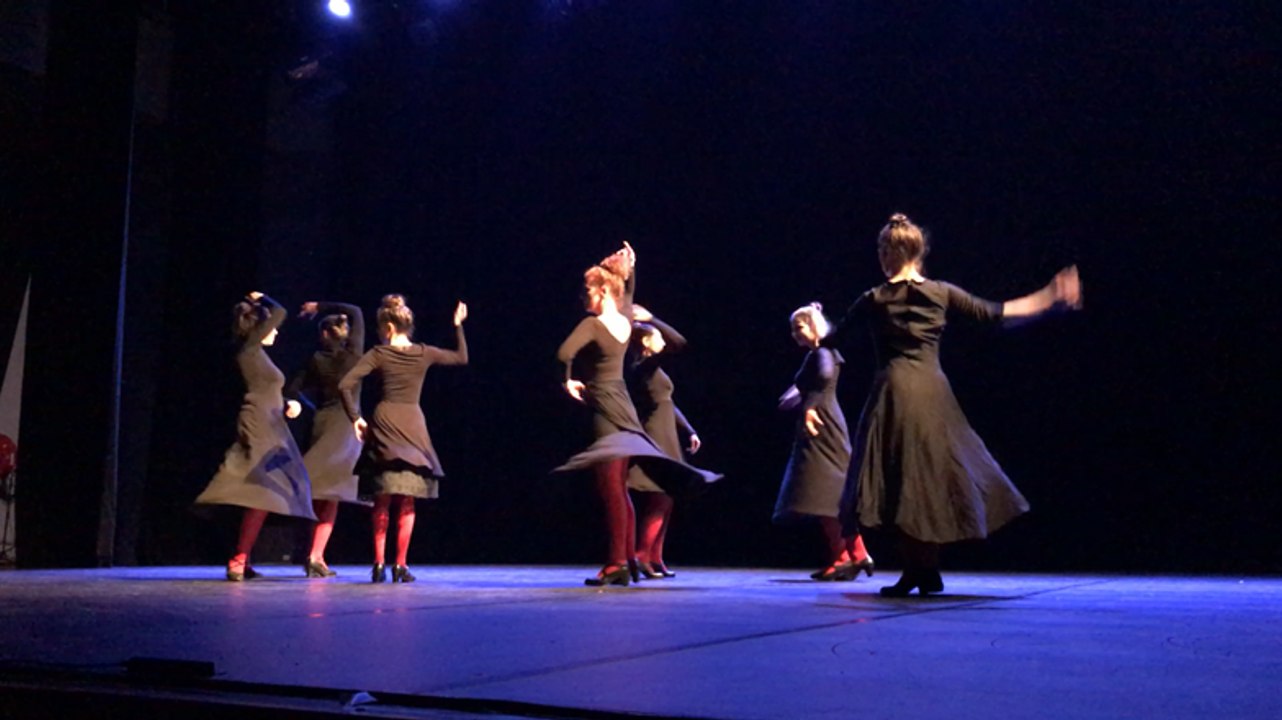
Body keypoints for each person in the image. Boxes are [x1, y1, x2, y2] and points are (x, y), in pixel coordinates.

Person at [828, 213, 1082, 597]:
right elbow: (996, 314)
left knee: (901, 480)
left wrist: (816, 330)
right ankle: (922, 570)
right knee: (927, 478)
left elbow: (835, 338)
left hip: (893, 394)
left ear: (887, 254)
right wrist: (1049, 298)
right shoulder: (941, 292)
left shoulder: (874, 299)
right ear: (919, 252)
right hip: (932, 394)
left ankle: (919, 570)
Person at [554, 243, 719, 587]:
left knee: (612, 490)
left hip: (604, 408)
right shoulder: (626, 320)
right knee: (620, 491)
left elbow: (563, 352)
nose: (583, 296)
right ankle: (627, 559)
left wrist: (567, 380)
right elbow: (626, 301)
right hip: (625, 408)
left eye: (588, 290)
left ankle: (617, 563)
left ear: (602, 291)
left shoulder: (594, 325)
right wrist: (631, 272)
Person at [339, 294, 469, 583]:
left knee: (382, 499)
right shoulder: (423, 352)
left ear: (386, 328)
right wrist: (457, 326)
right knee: (407, 500)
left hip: (385, 423)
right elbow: (461, 358)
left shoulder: (378, 354)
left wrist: (355, 418)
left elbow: (345, 385)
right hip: (412, 425)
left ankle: (378, 564)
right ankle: (400, 565)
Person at [195, 291, 314, 581]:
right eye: (269, 327)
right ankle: (238, 558)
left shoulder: (258, 355)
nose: (275, 331)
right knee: (261, 486)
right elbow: (281, 311)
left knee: (264, 490)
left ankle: (241, 558)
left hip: (271, 421)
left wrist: (289, 404)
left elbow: (268, 389)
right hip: (258, 422)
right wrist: (262, 297)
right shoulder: (248, 348)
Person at [774, 303, 874, 581]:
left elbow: (824, 377)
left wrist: (810, 405)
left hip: (821, 424)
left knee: (827, 492)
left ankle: (853, 554)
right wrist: (796, 397)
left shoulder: (822, 353)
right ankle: (849, 555)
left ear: (814, 325)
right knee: (824, 495)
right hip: (822, 421)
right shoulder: (820, 354)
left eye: (799, 326)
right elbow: (810, 382)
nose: (795, 333)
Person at [285, 301, 367, 578]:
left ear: (323, 334)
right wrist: (319, 306)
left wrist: (307, 406)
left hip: (323, 423)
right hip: (347, 426)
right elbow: (355, 311)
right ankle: (315, 555)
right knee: (332, 495)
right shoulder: (354, 353)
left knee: (321, 493)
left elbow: (292, 389)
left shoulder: (316, 360)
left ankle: (314, 555)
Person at [625, 313, 705, 579]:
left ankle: (654, 557)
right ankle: (641, 556)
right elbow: (679, 343)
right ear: (647, 343)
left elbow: (668, 402)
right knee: (661, 496)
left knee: (667, 498)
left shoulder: (654, 370)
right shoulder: (643, 367)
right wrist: (653, 319)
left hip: (667, 432)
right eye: (656, 337)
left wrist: (689, 430)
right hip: (656, 434)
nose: (661, 341)